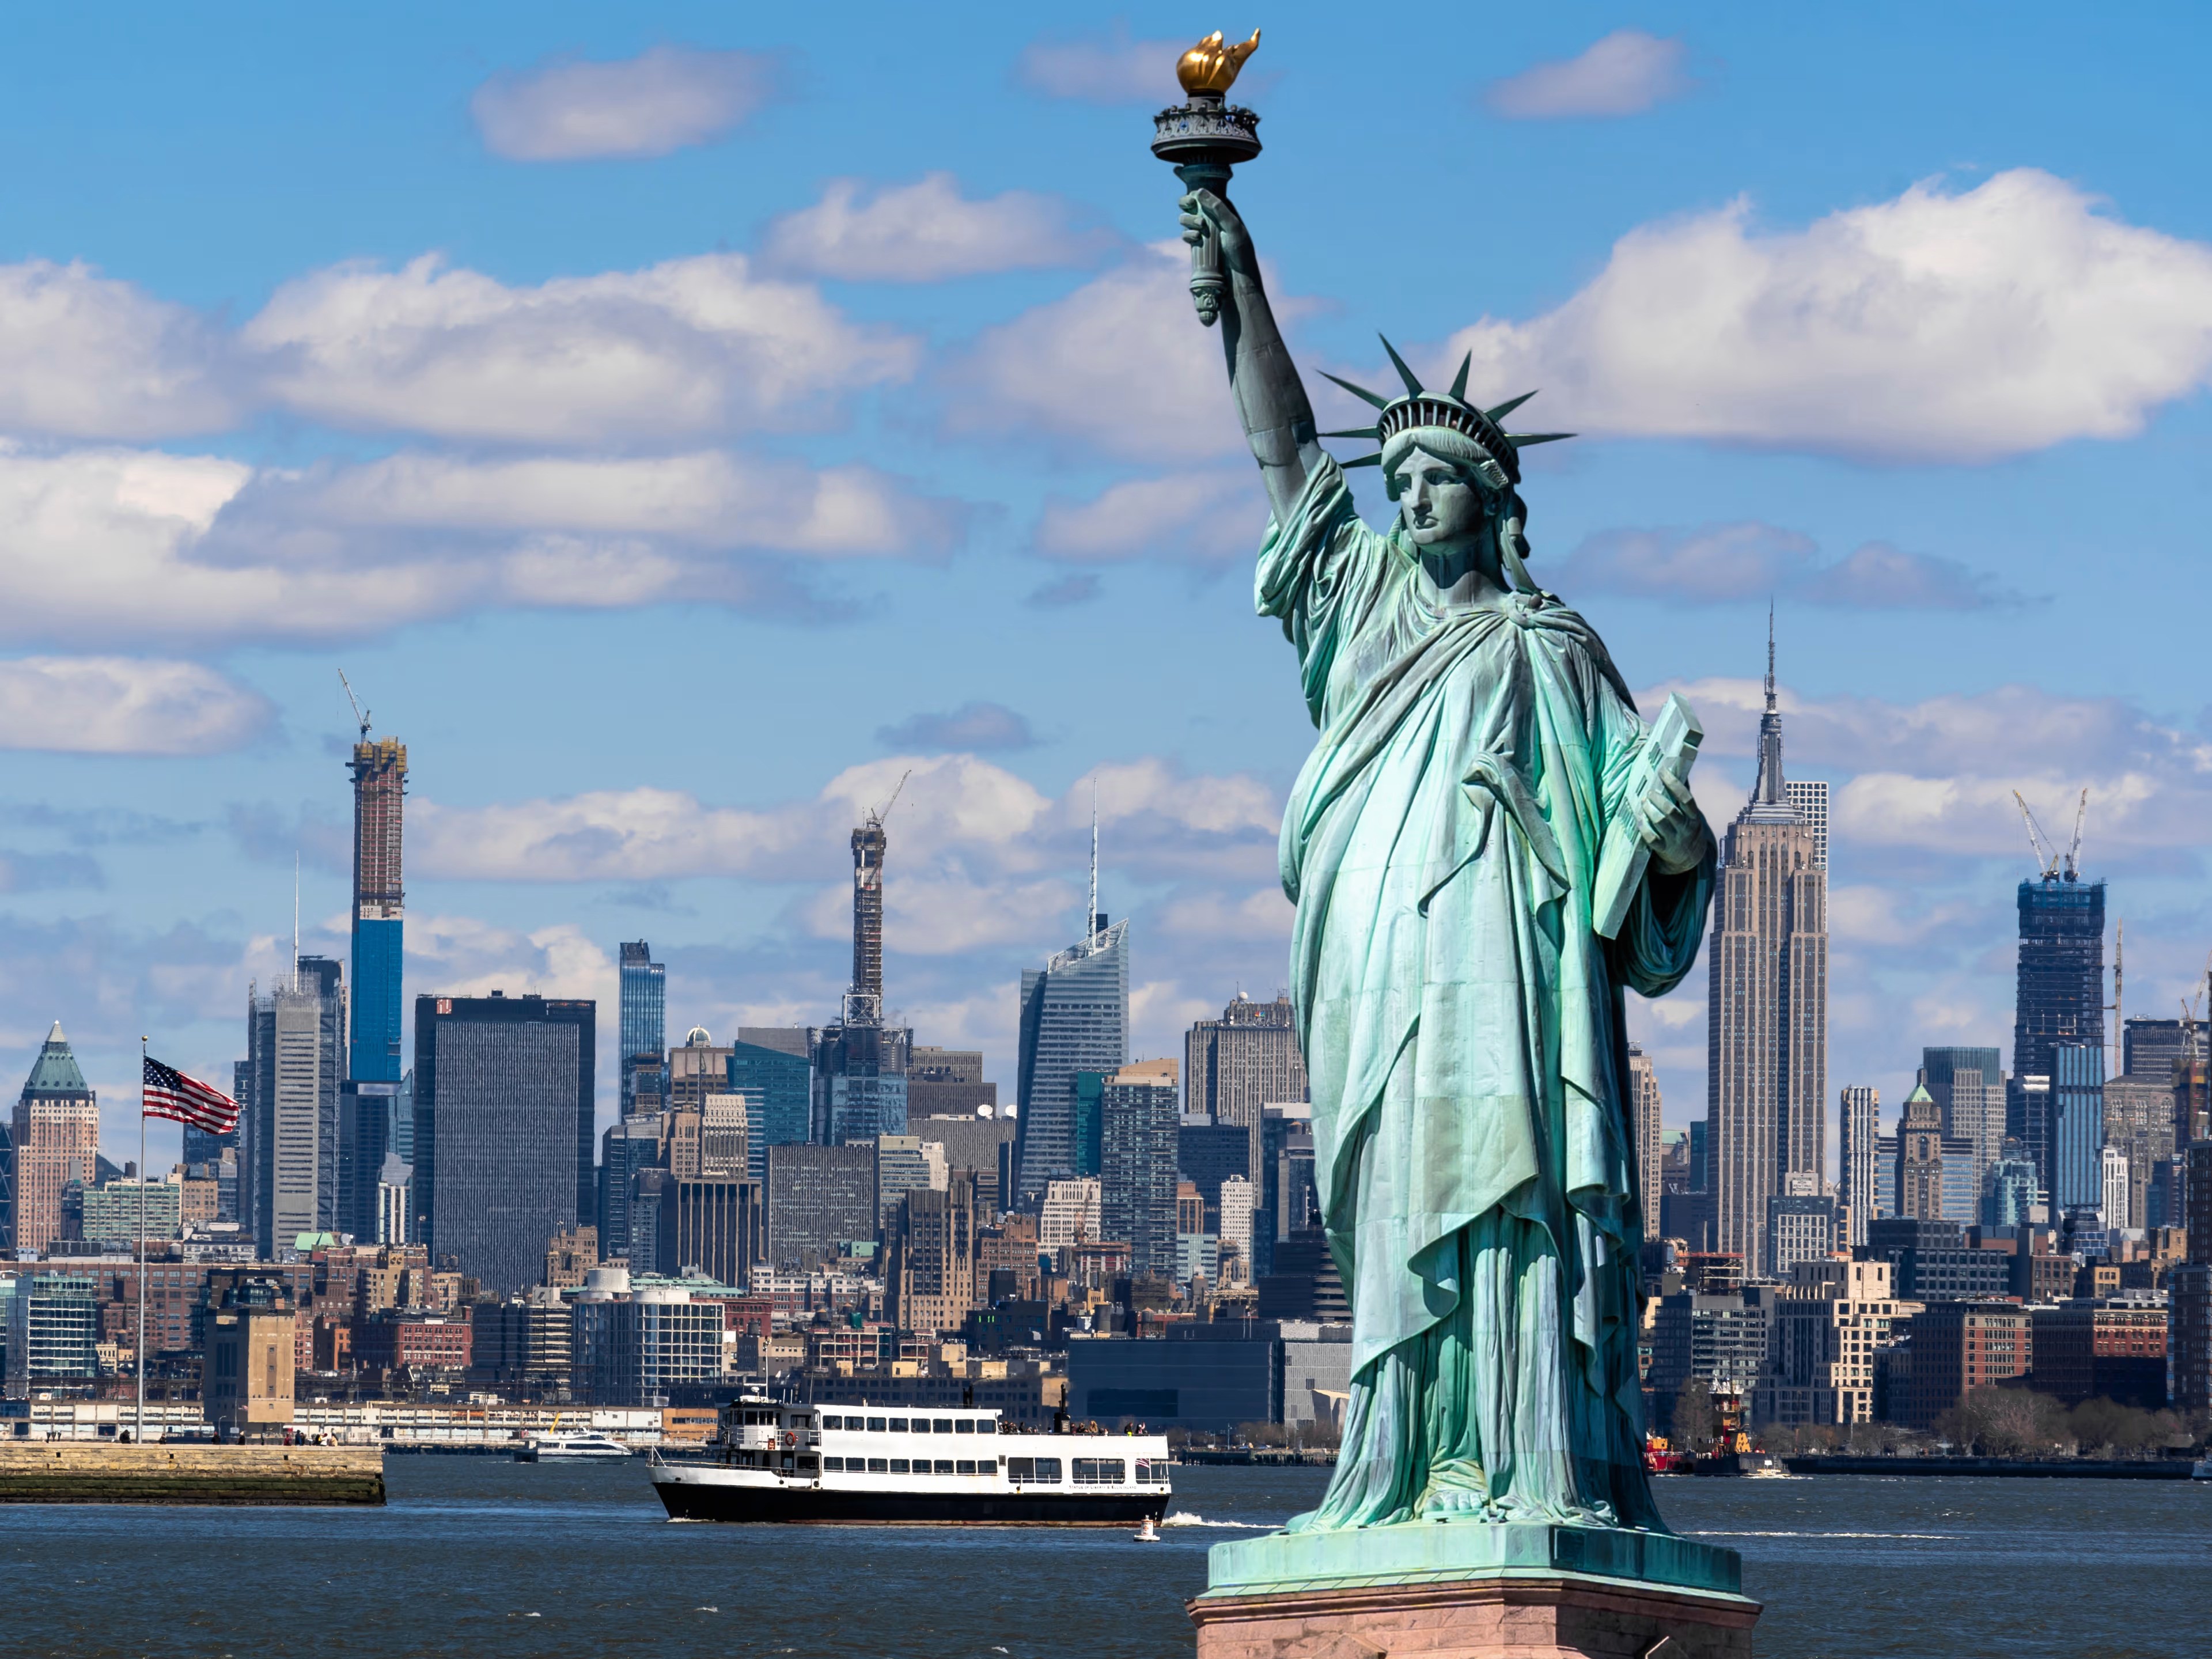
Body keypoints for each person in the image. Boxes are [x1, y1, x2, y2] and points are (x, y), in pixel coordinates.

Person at [1178, 187, 1714, 1533]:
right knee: (1401, 1191)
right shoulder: (1355, 600)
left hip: (1511, 970)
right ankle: (1405, 1464)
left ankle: (1518, 1459)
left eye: (1434, 481)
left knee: (1511, 1194)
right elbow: (1284, 451)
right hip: (1377, 956)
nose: (1409, 497)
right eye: (1398, 480)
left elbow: (1636, 860)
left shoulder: (1554, 649)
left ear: (1491, 502)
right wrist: (1239, 276)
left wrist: (1675, 835)